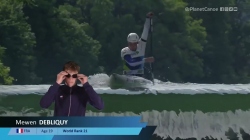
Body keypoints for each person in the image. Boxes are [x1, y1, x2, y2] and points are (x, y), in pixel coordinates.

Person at [40, 61, 104, 116]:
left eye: (74, 76)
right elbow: (44, 104)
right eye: (68, 75)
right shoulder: (57, 90)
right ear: (63, 76)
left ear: (77, 76)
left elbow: (100, 106)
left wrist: (86, 85)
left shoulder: (83, 91)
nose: (71, 78)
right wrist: (57, 83)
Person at [121, 12, 155, 77]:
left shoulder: (141, 45)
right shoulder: (124, 51)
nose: (133, 45)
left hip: (139, 76)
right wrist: (146, 60)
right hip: (127, 75)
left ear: (137, 42)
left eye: (134, 44)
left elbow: (145, 31)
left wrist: (148, 18)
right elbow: (131, 63)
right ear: (128, 43)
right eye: (130, 44)